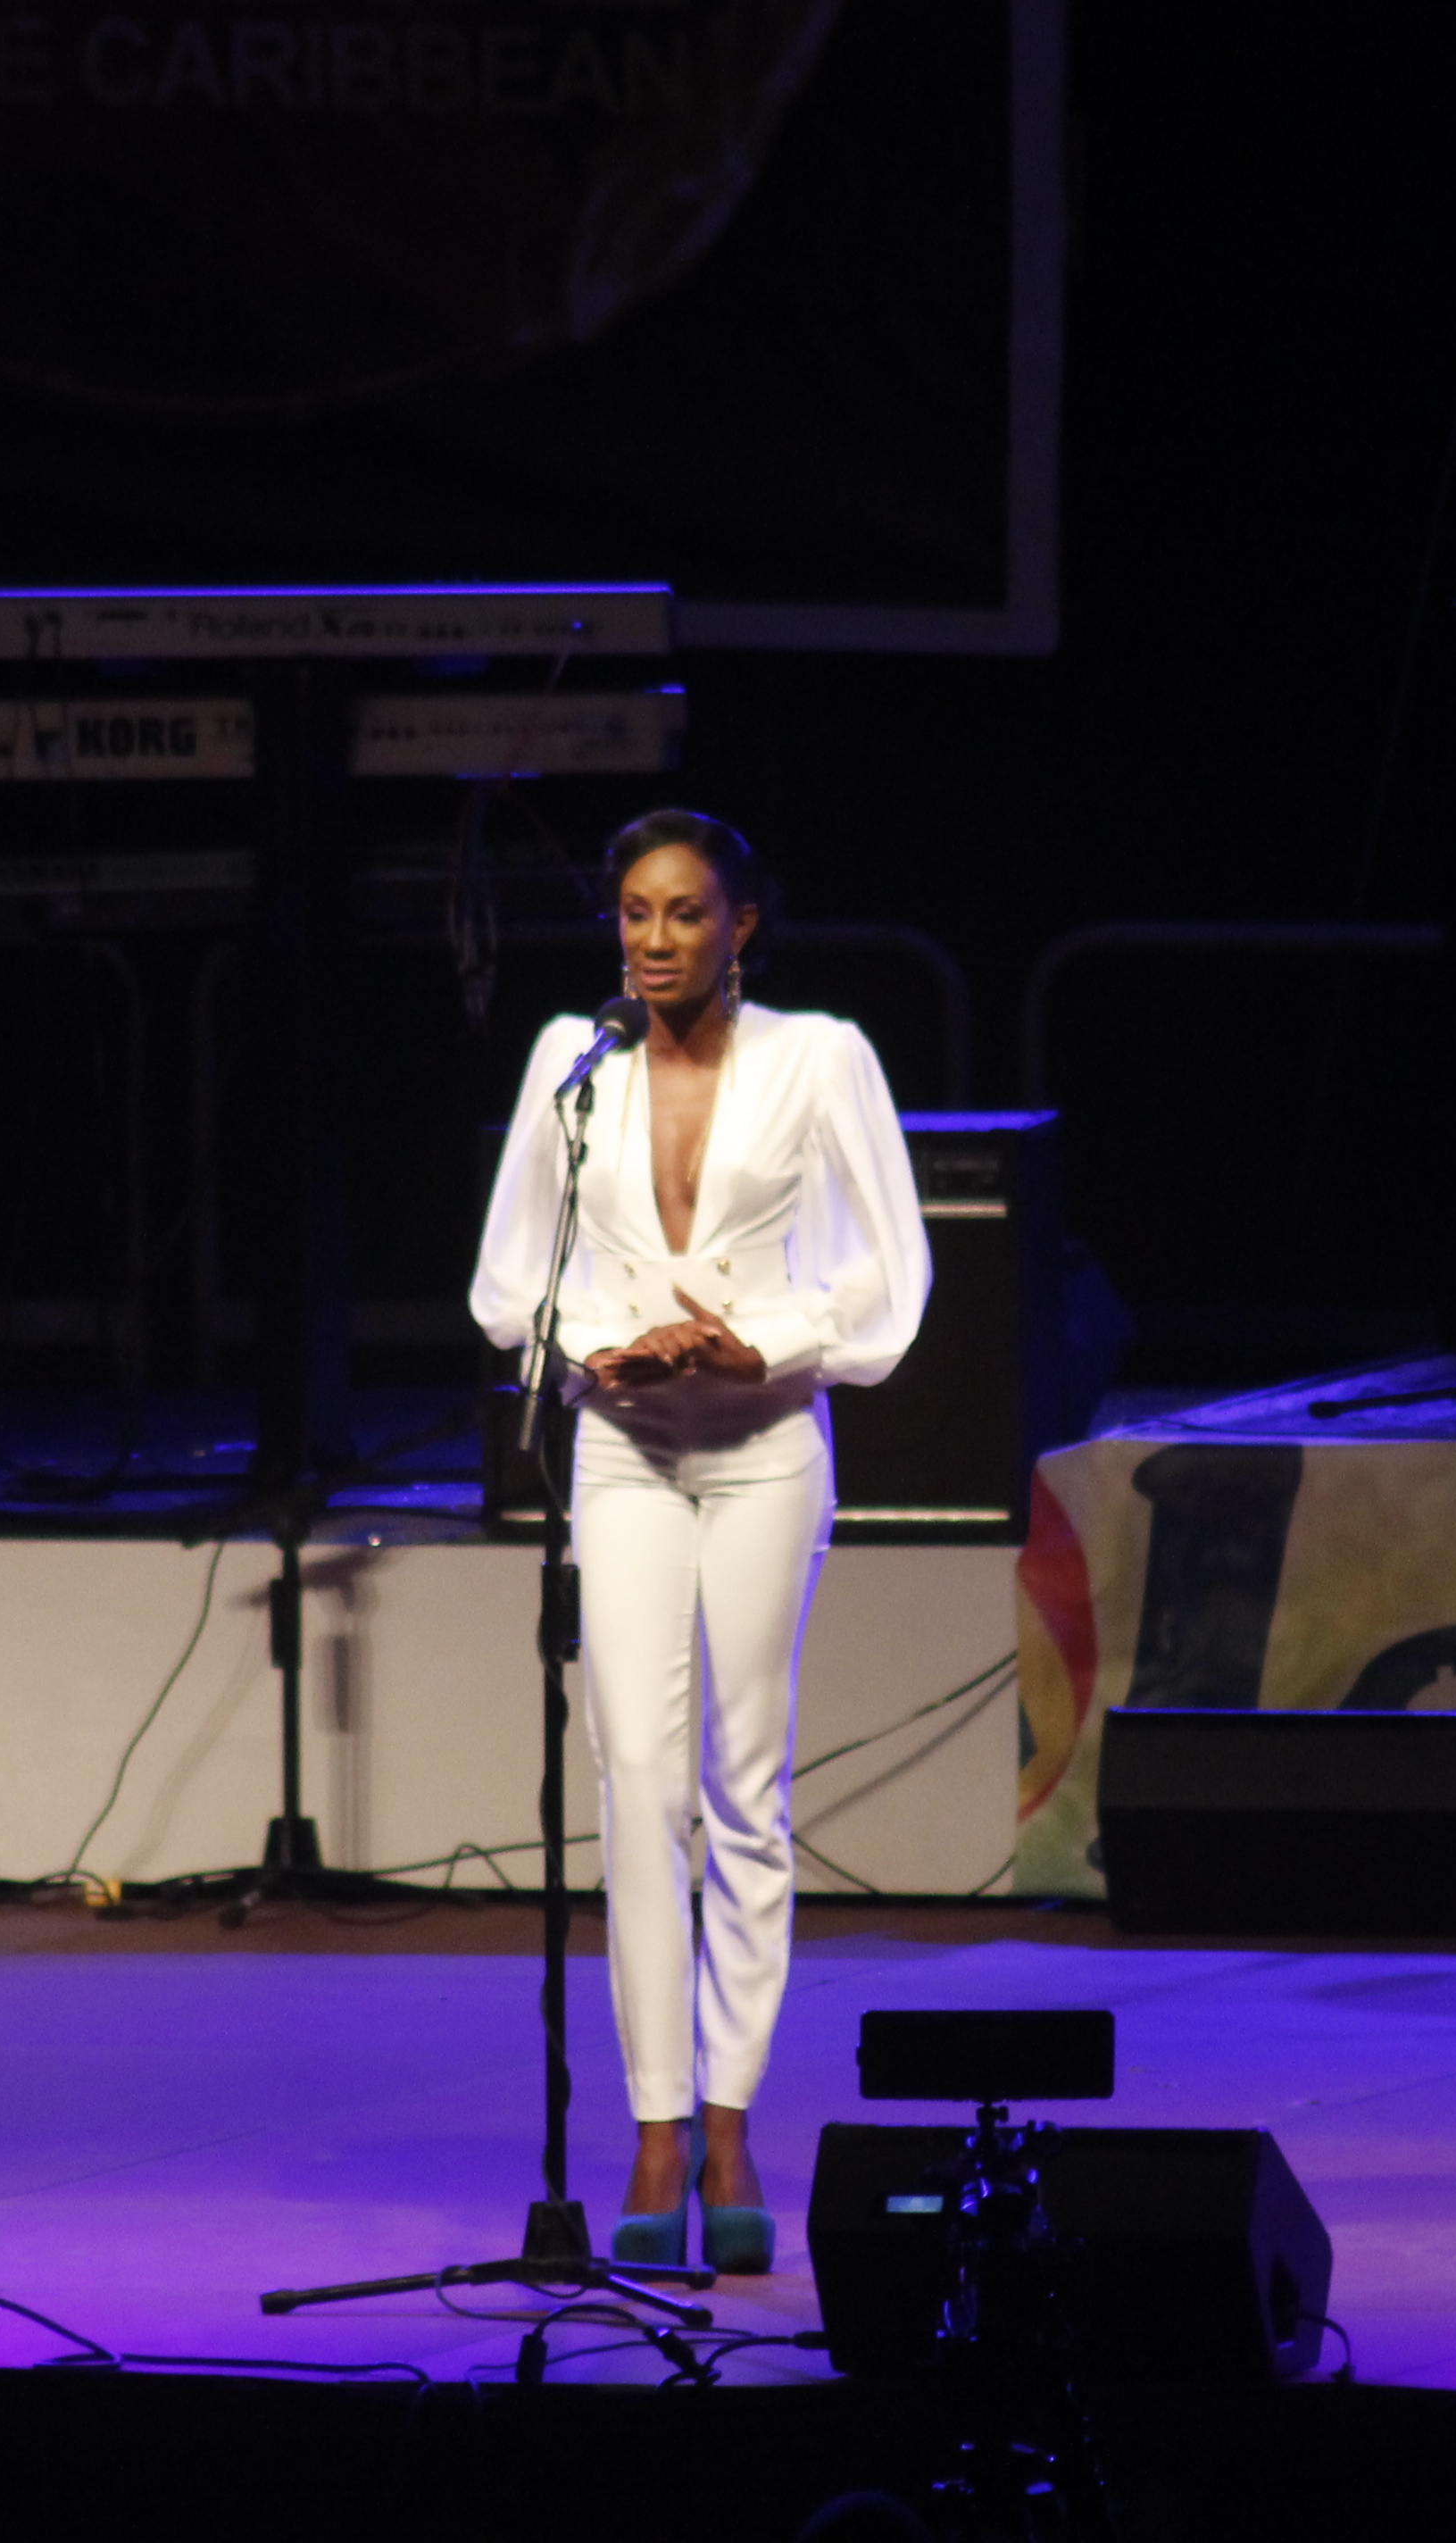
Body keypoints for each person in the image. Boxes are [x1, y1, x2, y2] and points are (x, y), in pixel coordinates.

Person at [468, 807, 932, 2272]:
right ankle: (655, 2126)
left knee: (743, 1786)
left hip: (761, 1447)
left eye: (683, 912)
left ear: (743, 924)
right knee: (638, 1782)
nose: (654, 939)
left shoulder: (819, 1056)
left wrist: (758, 1342)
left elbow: (889, 1274)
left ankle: (731, 2123)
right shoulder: (575, 1060)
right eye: (633, 913)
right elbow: (509, 1278)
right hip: (621, 1446)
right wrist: (602, 1347)